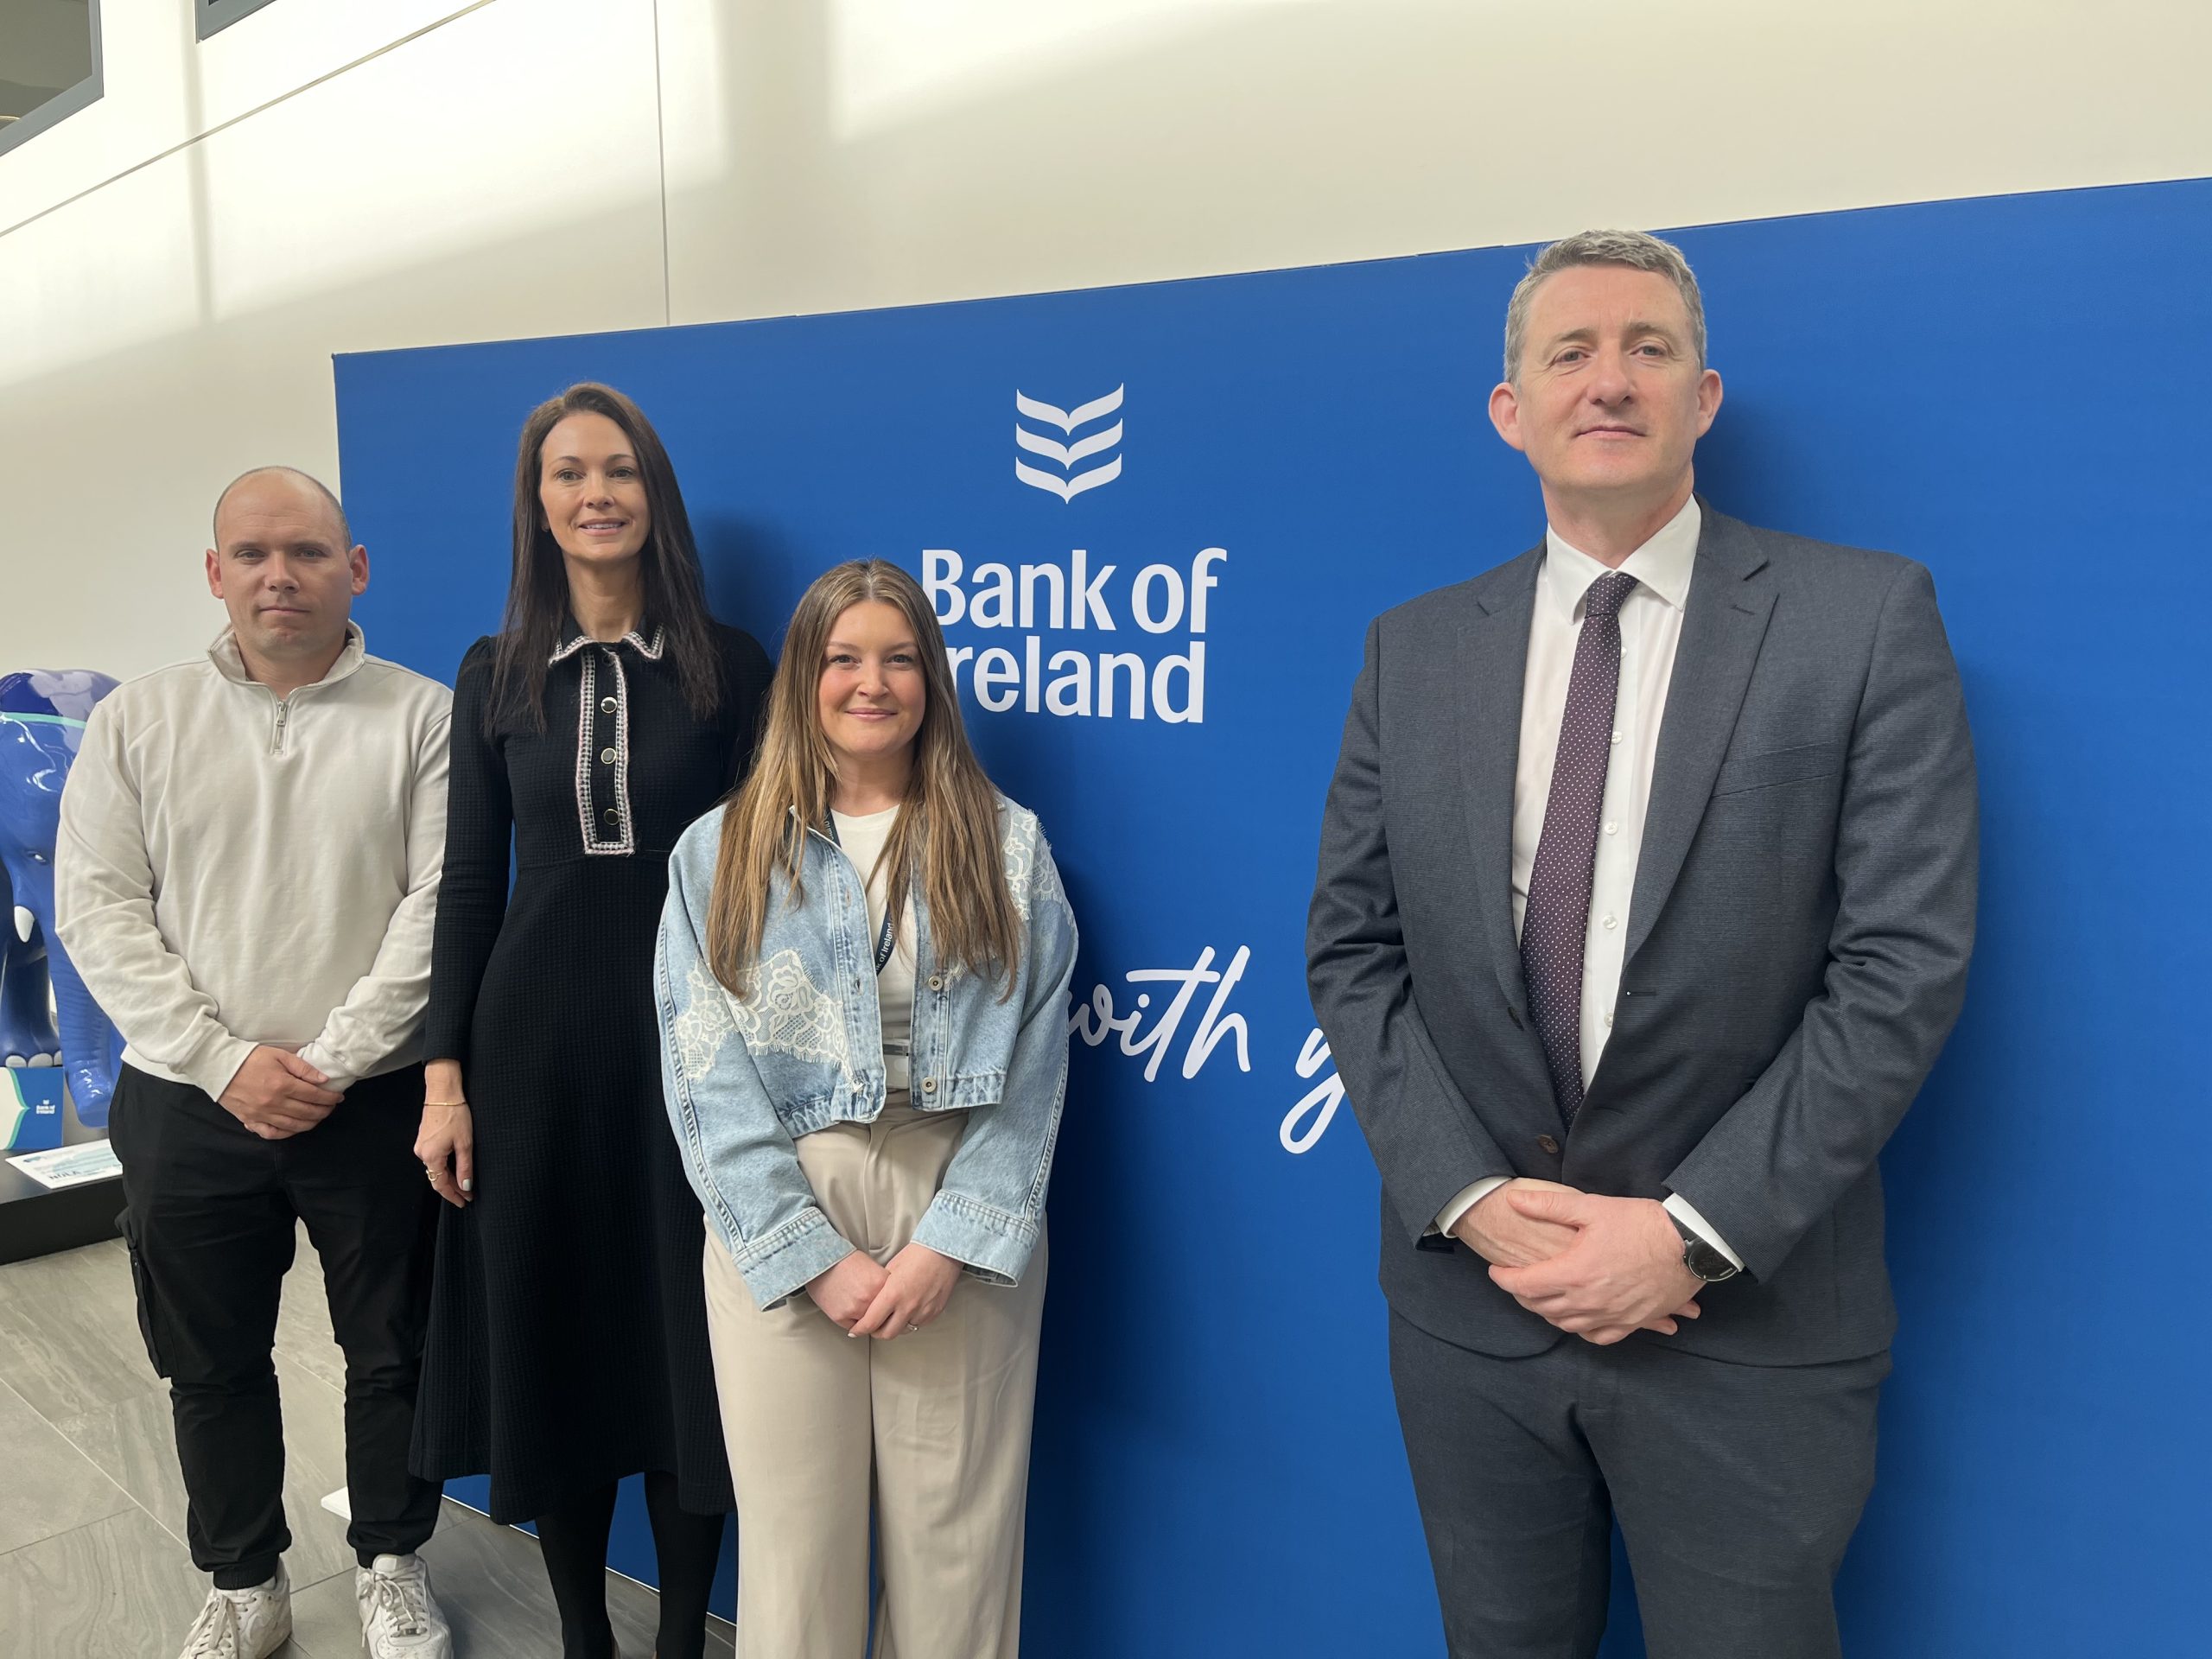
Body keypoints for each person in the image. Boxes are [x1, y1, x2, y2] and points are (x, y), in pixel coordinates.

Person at [1305, 229, 1979, 1658]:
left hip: (1745, 1329)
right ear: (1512, 411)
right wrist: (1470, 1198)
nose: (1609, 380)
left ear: (1704, 396)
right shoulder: (1412, 652)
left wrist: (1689, 1235)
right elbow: (1353, 952)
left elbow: (1901, 968)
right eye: (1571, 352)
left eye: (1648, 348)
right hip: (1475, 1315)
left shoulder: (1863, 621)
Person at [56, 467, 455, 1659]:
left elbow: (439, 908)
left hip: (370, 1099)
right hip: (188, 1101)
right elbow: (97, 909)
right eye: (253, 554)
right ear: (215, 572)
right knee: (209, 1361)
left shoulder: (423, 717)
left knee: (391, 1350)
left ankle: (392, 1563)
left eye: (309, 552)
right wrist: (224, 1062)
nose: (281, 576)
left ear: (356, 570)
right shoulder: (140, 721)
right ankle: (244, 1583)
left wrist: (329, 1061)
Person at [407, 383, 771, 1659]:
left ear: (652, 491)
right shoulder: (494, 671)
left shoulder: (731, 666)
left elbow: (767, 880)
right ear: (537, 503)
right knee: (555, 1345)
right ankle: (582, 1638)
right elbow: (468, 883)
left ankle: (679, 1641)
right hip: (533, 1058)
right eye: (567, 473)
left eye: (617, 469)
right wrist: (444, 1082)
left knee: (686, 1354)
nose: (595, 493)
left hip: (691, 1053)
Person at [655, 559, 1077, 1659]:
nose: (871, 683)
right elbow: (703, 1074)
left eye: (899, 659)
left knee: (958, 1555)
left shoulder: (1009, 846)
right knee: (797, 1558)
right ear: (805, 675)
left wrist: (954, 1242)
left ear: (931, 680)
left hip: (958, 1208)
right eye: (844, 658)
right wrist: (803, 1253)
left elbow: (1036, 1071)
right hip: (786, 1202)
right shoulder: (716, 852)